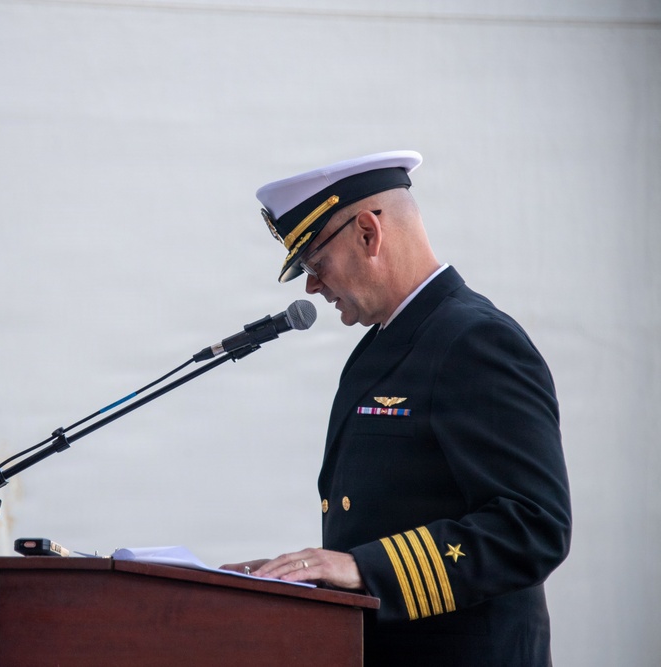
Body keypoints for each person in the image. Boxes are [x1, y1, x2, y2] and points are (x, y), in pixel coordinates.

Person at [222, 150, 571, 665]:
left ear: (368, 233)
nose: (313, 287)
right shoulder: (388, 342)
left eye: (316, 263)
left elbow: (533, 525)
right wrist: (302, 578)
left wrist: (363, 569)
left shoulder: (476, 339)